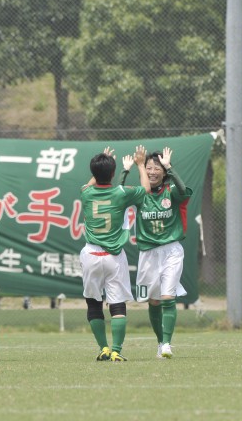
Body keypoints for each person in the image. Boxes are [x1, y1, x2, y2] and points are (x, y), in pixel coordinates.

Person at [80, 146, 150, 362]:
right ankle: (117, 350)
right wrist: (139, 164)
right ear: (113, 174)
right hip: (114, 256)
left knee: (94, 303)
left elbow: (90, 183)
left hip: (91, 254)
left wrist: (102, 165)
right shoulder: (121, 193)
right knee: (117, 304)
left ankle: (104, 348)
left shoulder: (86, 192)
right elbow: (146, 188)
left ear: (93, 172)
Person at [122, 147, 192, 360]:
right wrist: (127, 171)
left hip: (171, 250)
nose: (152, 172)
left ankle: (167, 344)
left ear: (163, 172)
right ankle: (160, 341)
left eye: (156, 168)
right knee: (153, 301)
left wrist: (171, 167)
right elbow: (116, 193)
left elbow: (184, 190)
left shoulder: (171, 191)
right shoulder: (139, 194)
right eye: (148, 167)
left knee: (168, 297)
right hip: (148, 254)